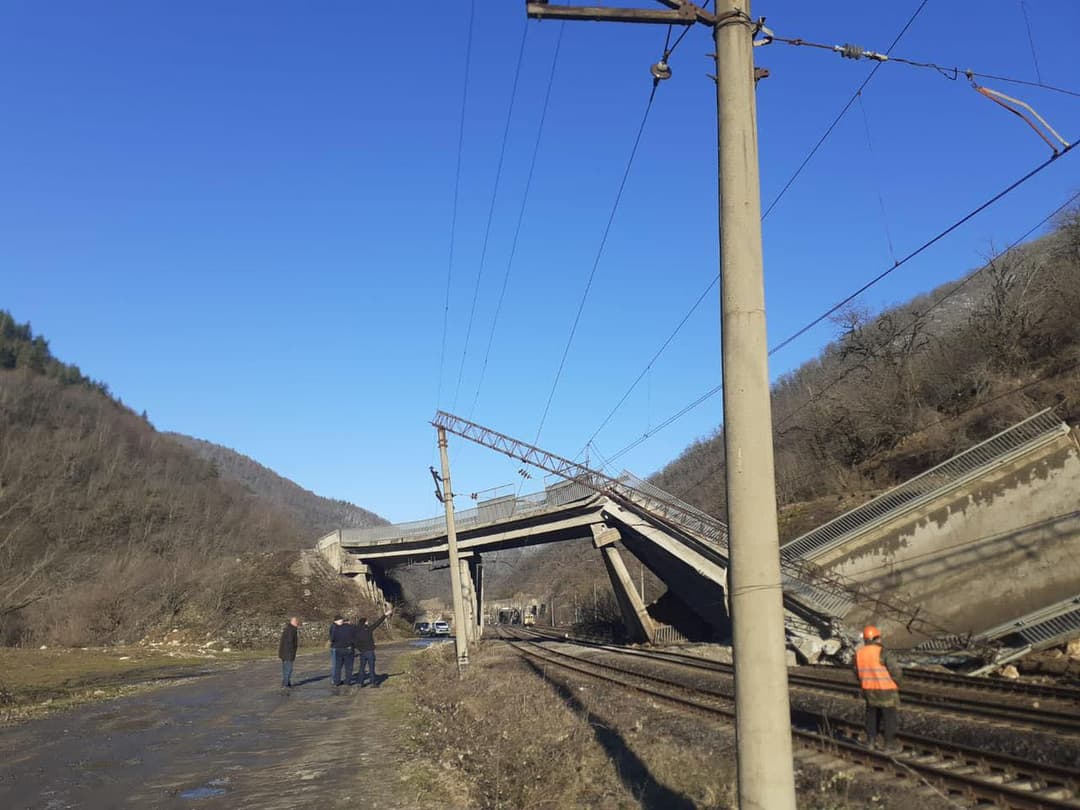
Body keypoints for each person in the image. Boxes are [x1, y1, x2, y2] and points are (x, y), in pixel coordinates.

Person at [853, 625, 903, 753]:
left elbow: (857, 672)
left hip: (869, 690)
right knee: (889, 717)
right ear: (876, 638)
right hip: (886, 690)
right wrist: (897, 683)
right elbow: (895, 671)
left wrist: (864, 683)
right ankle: (888, 746)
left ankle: (870, 742)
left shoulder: (859, 654)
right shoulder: (883, 652)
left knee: (872, 715)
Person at [355, 604, 394, 687]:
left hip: (362, 652)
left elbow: (355, 642)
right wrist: (385, 615)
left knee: (362, 668)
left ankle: (360, 682)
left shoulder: (356, 631)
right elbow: (377, 623)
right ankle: (373, 683)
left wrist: (359, 649)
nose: (368, 622)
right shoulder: (368, 629)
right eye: (367, 621)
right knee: (371, 668)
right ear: (365, 622)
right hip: (370, 651)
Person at [277, 616, 301, 689]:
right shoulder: (291, 630)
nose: (298, 624)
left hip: (284, 652)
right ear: (294, 622)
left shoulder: (288, 629)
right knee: (288, 669)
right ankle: (285, 684)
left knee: (285, 668)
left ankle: (286, 682)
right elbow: (290, 642)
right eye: (297, 622)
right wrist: (292, 652)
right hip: (288, 653)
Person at [328, 615, 349, 686]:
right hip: (335, 647)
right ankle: (335, 680)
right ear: (336, 621)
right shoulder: (335, 627)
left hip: (336, 647)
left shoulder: (336, 627)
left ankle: (336, 679)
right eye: (341, 620)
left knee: (337, 664)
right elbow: (333, 637)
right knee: (336, 664)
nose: (342, 622)